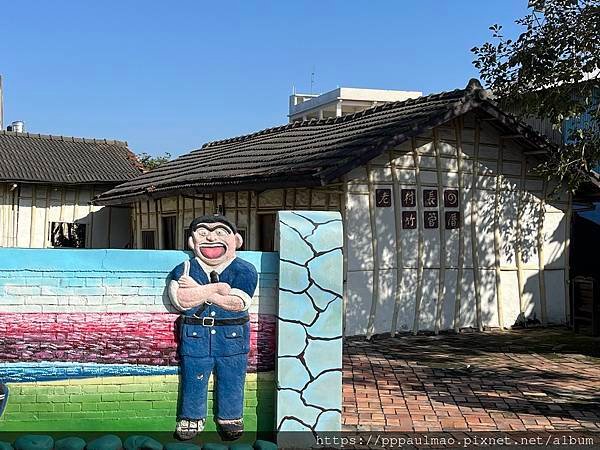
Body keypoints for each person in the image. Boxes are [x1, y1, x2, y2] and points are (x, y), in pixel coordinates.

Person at [168, 215, 258, 441]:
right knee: (194, 376)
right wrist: (217, 288)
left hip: (232, 335)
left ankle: (230, 418)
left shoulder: (245, 269)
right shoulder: (186, 268)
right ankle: (191, 417)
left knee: (232, 376)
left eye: (220, 232)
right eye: (202, 233)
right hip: (195, 334)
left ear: (236, 240)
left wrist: (200, 290)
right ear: (192, 242)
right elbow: (181, 300)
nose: (210, 238)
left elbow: (238, 303)